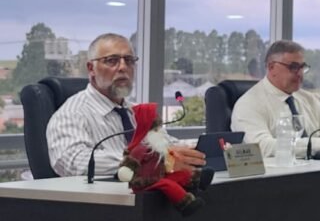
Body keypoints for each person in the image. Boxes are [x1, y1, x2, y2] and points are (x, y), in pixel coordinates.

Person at [47, 33, 206, 177]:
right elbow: (75, 161)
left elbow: (167, 145)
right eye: (112, 60)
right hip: (103, 199)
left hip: (146, 196)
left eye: (129, 61)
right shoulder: (72, 113)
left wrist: (198, 151)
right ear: (91, 68)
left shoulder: (137, 113)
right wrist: (152, 163)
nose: (123, 67)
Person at [231, 40, 320, 158]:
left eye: (302, 67)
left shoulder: (307, 98)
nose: (300, 73)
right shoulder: (249, 104)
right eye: (293, 67)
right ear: (271, 67)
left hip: (317, 173)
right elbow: (262, 148)